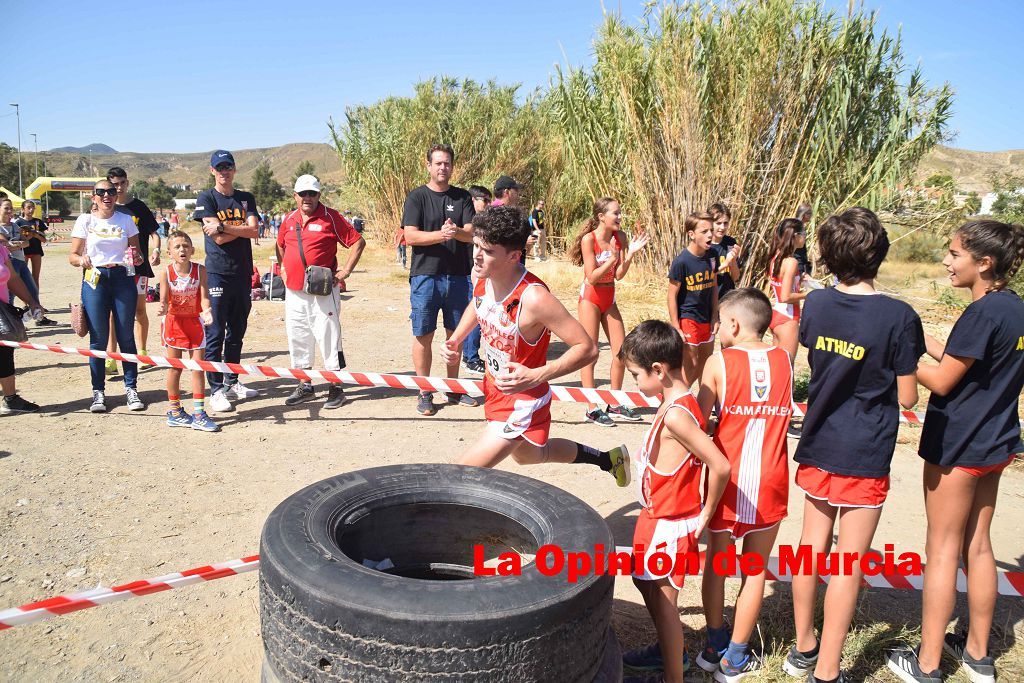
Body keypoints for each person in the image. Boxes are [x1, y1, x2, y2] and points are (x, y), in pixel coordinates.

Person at [786, 207, 923, 683]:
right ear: (880, 254)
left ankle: (803, 647)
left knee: (810, 548)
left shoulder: (818, 304)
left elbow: (817, 357)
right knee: (847, 564)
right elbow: (908, 396)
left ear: (827, 254)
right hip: (864, 451)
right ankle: (827, 670)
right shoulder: (899, 317)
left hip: (819, 440)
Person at [887, 220, 1024, 683]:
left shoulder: (981, 313)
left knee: (943, 550)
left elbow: (944, 379)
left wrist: (898, 357)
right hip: (996, 442)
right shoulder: (1013, 310)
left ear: (984, 264)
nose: (946, 261)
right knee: (978, 546)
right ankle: (978, 654)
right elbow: (965, 360)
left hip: (959, 445)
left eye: (954, 253)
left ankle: (925, 665)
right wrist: (918, 336)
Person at [440, 205, 629, 484]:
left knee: (459, 476)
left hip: (522, 401)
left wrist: (536, 375)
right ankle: (607, 459)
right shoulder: (481, 274)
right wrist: (456, 338)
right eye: (476, 246)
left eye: (488, 251)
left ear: (514, 256)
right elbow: (478, 303)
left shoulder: (535, 299)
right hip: (495, 387)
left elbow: (586, 348)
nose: (477, 256)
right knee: (531, 456)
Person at [618, 320, 731, 683]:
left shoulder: (678, 415)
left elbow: (719, 464)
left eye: (635, 375)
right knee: (641, 579)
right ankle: (670, 652)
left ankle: (674, 673)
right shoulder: (679, 403)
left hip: (669, 521)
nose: (634, 382)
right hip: (655, 515)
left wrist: (705, 515)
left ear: (658, 370)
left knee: (666, 605)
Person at [695, 288, 793, 681]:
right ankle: (735, 659)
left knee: (718, 564)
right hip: (772, 480)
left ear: (733, 324)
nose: (718, 328)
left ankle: (714, 644)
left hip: (729, 481)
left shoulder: (718, 363)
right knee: (755, 570)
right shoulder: (785, 359)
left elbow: (699, 425)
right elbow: (788, 326)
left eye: (720, 321)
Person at [402, 144, 480, 415]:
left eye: (446, 163)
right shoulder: (417, 198)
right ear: (428, 165)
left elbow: (471, 233)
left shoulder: (462, 198)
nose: (442, 168)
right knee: (423, 333)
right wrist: (441, 235)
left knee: (454, 335)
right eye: (437, 163)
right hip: (425, 276)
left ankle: (453, 388)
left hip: (458, 276)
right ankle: (424, 390)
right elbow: (410, 236)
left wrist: (456, 230)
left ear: (452, 166)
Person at [276, 174, 366, 409]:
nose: (308, 198)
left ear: (319, 195)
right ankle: (305, 384)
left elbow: (357, 242)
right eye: (303, 193)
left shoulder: (330, 217)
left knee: (328, 336)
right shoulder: (289, 219)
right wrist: (283, 268)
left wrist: (345, 271)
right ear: (295, 196)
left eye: (312, 193)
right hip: (294, 291)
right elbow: (280, 245)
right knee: (298, 336)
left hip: (323, 290)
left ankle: (335, 386)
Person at [68, 180, 147, 413]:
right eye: (101, 192)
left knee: (126, 336)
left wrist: (138, 257)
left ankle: (131, 389)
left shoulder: (125, 220)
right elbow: (72, 255)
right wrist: (80, 260)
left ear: (116, 195)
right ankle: (98, 392)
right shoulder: (85, 220)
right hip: (95, 280)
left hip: (122, 277)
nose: (106, 196)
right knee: (98, 339)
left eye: (111, 192)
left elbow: (136, 253)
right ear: (93, 197)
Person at [569, 197, 648, 426]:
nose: (620, 217)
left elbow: (619, 275)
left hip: (609, 296)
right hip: (591, 298)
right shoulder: (589, 239)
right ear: (601, 217)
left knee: (621, 352)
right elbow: (592, 277)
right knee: (590, 352)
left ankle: (614, 402)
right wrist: (612, 258)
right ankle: (592, 407)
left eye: (620, 213)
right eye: (616, 213)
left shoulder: (620, 237)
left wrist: (630, 253)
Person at [194, 150, 261, 412]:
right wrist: (238, 229)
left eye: (228, 166)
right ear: (212, 171)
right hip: (218, 273)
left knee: (237, 332)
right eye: (219, 167)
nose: (224, 171)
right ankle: (216, 389)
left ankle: (233, 381)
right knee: (215, 333)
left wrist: (223, 226)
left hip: (242, 272)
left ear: (234, 169)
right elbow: (217, 239)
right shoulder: (207, 198)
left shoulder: (245, 198)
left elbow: (255, 230)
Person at [157, 231, 218, 432]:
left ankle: (199, 413)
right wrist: (163, 308)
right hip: (175, 324)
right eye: (177, 246)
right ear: (169, 252)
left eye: (185, 245)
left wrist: (207, 310)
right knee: (175, 368)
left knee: (198, 367)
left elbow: (204, 296)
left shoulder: (200, 270)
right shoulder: (166, 272)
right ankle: (174, 411)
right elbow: (164, 300)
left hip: (195, 323)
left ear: (192, 250)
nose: (182, 249)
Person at [107, 166, 162, 371]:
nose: (119, 187)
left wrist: (156, 251)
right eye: (114, 184)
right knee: (113, 313)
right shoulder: (107, 207)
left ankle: (143, 353)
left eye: (122, 183)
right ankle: (111, 358)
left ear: (127, 183)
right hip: (114, 267)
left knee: (140, 310)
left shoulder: (139, 207)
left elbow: (155, 234)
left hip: (138, 267)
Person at [667, 212, 718, 388]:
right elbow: (672, 295)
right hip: (689, 318)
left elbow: (714, 287)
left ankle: (700, 405)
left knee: (706, 365)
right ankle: (675, 401)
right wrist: (675, 324)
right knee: (691, 364)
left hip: (707, 318)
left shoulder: (712, 256)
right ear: (691, 234)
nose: (710, 235)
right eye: (704, 231)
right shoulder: (682, 261)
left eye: (711, 230)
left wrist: (715, 316)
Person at [0, 240, 43, 415]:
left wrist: (32, 302)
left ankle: (10, 399)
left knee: (4, 352)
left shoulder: (1, 249)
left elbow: (13, 278)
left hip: (3, 310)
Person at [0, 199, 54, 325]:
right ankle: (11, 323)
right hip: (9, 262)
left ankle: (37, 316)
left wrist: (16, 244)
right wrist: (16, 244)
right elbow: (5, 246)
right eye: (6, 208)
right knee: (9, 295)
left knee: (32, 289)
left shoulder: (15, 226)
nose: (9, 211)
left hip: (20, 261)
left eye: (11, 208)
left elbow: (26, 242)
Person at [460, 185, 492, 376]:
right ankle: (470, 358)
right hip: (466, 274)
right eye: (485, 200)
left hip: (477, 274)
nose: (489, 204)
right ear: (473, 200)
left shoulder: (482, 222)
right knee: (476, 314)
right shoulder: (468, 224)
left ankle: (471, 356)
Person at [766, 218, 807, 365]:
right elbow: (785, 296)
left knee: (775, 366)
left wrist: (799, 281)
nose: (805, 237)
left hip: (776, 313)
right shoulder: (791, 261)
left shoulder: (775, 256)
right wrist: (809, 295)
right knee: (787, 368)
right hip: (788, 317)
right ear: (795, 236)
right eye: (804, 233)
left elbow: (780, 285)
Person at [707, 203, 741, 300]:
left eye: (725, 223)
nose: (722, 227)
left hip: (727, 299)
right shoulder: (705, 245)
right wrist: (725, 263)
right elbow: (705, 278)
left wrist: (733, 261)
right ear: (710, 223)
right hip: (709, 299)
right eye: (718, 223)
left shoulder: (730, 242)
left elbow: (735, 277)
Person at [14, 200, 47, 291]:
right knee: (23, 278)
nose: (31, 209)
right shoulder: (18, 222)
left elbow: (44, 240)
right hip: (23, 252)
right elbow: (15, 240)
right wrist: (27, 237)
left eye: (33, 207)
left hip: (36, 251)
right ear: (23, 209)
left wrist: (35, 235)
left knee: (35, 278)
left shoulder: (38, 222)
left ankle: (36, 302)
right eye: (28, 207)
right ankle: (26, 304)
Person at [794, 203, 814, 276]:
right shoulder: (798, 226)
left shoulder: (795, 224)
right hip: (797, 261)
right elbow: (799, 246)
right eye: (810, 214)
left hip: (798, 260)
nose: (811, 216)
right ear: (804, 214)